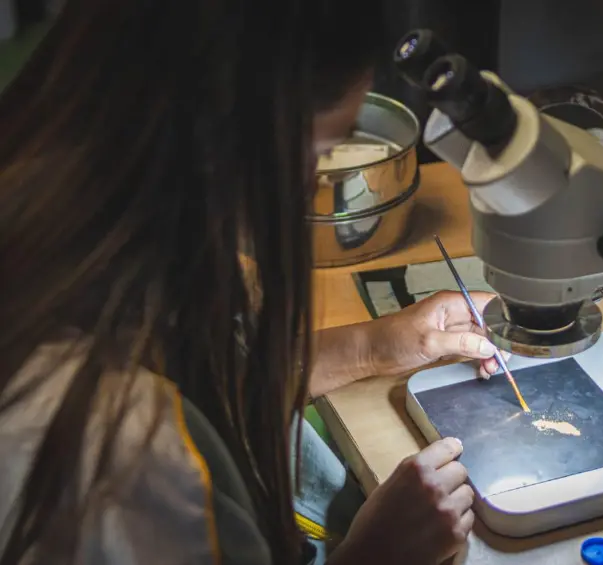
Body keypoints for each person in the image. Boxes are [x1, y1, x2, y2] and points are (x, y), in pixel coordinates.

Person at [0, 2, 508, 564]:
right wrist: (374, 554)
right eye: (317, 152)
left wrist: (375, 345)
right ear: (219, 141)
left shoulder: (91, 238)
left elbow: (214, 380)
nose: (314, 181)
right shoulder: (124, 454)